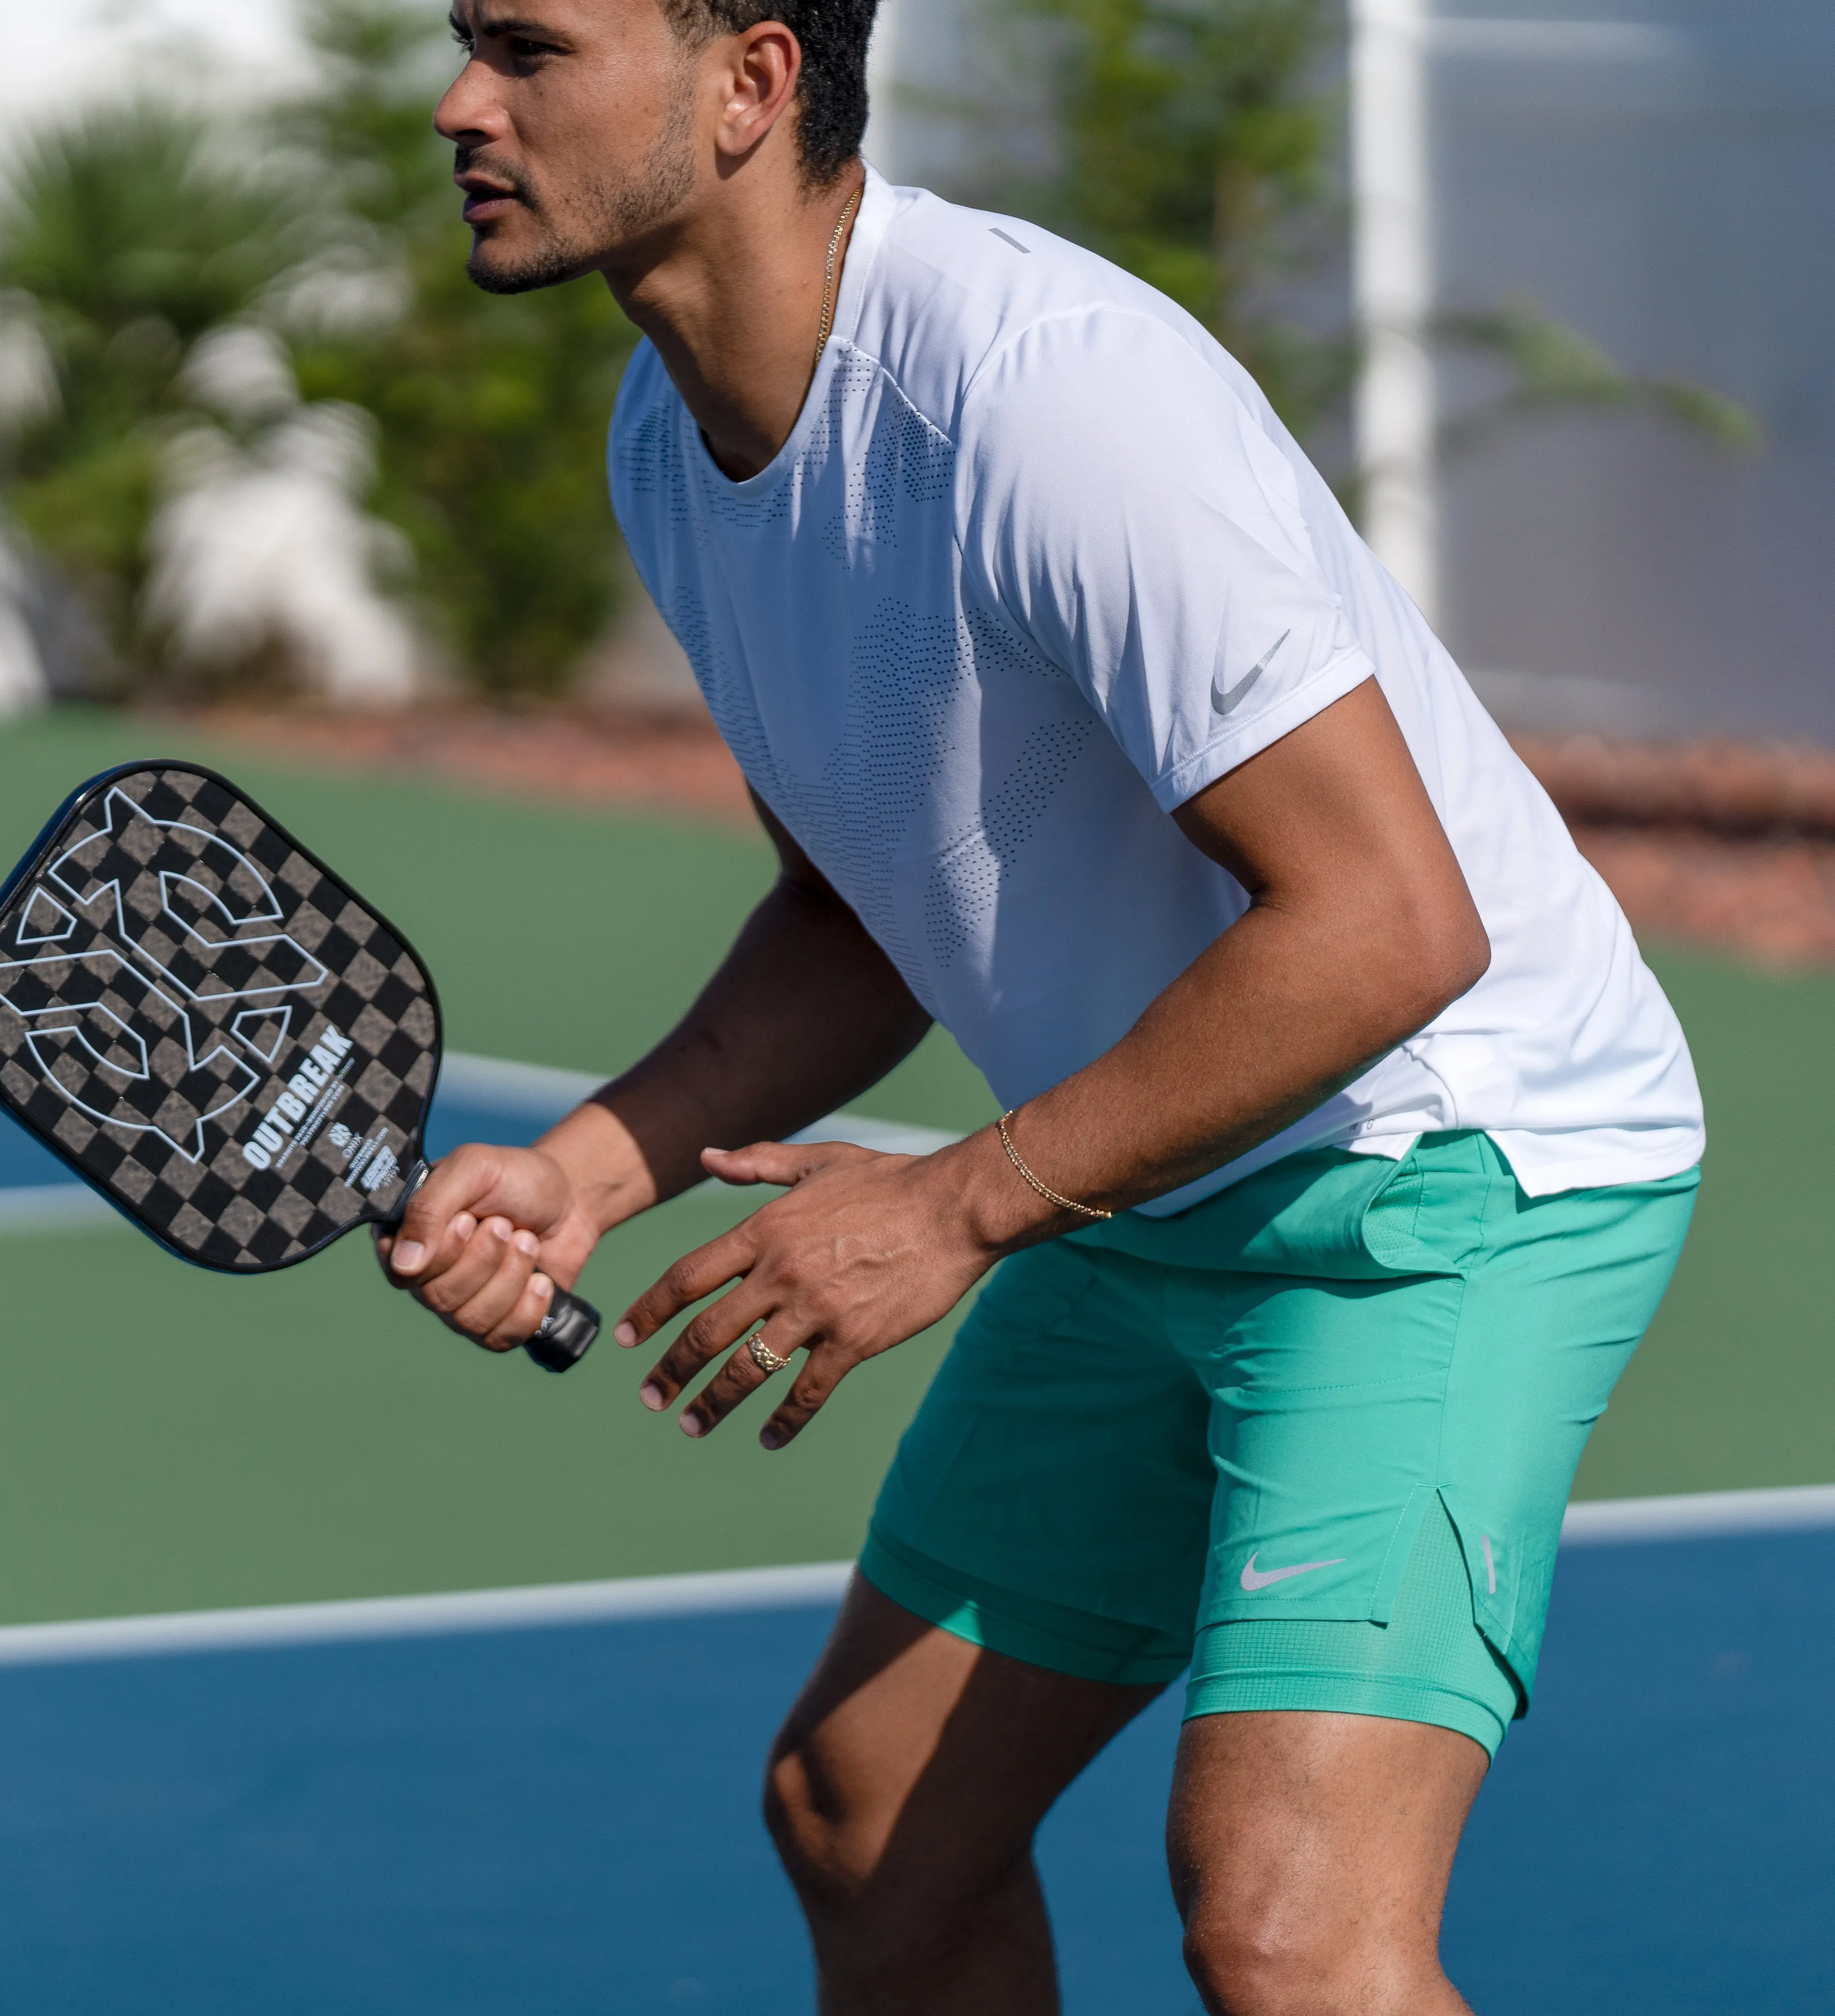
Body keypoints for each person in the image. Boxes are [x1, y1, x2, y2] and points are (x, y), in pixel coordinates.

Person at [379, 4, 1705, 2009]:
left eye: (529, 47)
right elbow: (851, 906)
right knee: (867, 1815)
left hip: (1448, 1162)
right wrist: (585, 1168)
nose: (462, 105)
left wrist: (953, 1205)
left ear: (749, 84)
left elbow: (1385, 928)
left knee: (1289, 1927)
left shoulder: (1043, 392)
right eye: (467, 42)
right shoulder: (673, 439)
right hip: (1158, 1159)